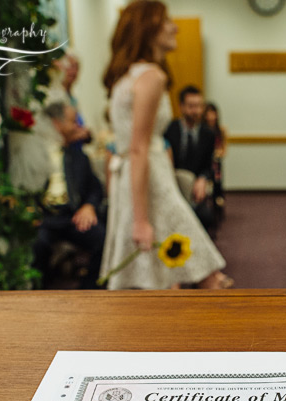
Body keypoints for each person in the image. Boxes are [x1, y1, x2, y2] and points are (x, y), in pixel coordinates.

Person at [100, 0, 230, 290]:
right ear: (148, 28)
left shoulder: (127, 75)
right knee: (200, 268)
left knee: (162, 269)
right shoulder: (151, 76)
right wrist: (141, 219)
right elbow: (138, 148)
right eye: (166, 20)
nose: (174, 27)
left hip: (133, 176)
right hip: (150, 178)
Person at [33, 102, 107, 289]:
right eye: (74, 122)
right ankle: (41, 293)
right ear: (57, 124)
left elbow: (95, 187)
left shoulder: (78, 156)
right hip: (45, 218)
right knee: (37, 244)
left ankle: (87, 290)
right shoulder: (37, 155)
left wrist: (89, 206)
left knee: (102, 238)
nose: (78, 127)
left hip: (72, 216)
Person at [163, 85, 217, 230]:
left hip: (194, 189)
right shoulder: (169, 129)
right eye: (191, 106)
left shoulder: (208, 134)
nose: (196, 111)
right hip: (171, 185)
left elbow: (209, 166)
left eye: (199, 106)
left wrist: (202, 179)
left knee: (205, 217)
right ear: (181, 107)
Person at [203, 101, 227, 212]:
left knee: (217, 176)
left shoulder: (221, 130)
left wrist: (218, 153)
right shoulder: (202, 130)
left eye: (213, 113)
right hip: (205, 160)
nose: (211, 116)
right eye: (209, 113)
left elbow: (224, 149)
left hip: (216, 161)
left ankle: (218, 198)